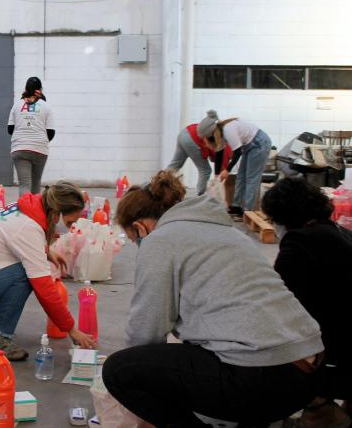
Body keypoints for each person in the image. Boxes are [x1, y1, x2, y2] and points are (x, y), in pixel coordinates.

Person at [102, 171, 324, 427]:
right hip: (310, 372)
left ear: (140, 227)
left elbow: (145, 331)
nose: (138, 244)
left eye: (134, 239)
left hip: (261, 379)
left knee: (120, 371)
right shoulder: (229, 233)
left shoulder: (160, 240)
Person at [0, 181, 96, 361]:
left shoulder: (27, 209)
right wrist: (71, 329)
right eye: (69, 222)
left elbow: (13, 240)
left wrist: (46, 251)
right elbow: (44, 288)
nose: (70, 228)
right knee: (26, 274)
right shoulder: (28, 228)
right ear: (55, 213)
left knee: (26, 267)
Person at [262, 177, 352, 427]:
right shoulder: (338, 232)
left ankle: (320, 410)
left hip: (340, 355)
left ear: (283, 216)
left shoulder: (299, 243)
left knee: (271, 345)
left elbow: (280, 303)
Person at [197, 109, 272, 216]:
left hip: (259, 143)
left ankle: (248, 210)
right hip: (250, 144)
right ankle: (236, 206)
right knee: (241, 177)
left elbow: (237, 152)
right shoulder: (221, 133)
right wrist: (217, 174)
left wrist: (227, 170)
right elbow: (219, 153)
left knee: (251, 178)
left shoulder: (227, 130)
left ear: (211, 134)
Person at [8, 77, 54, 195]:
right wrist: (39, 141)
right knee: (35, 183)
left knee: (24, 184)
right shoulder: (46, 106)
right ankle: (34, 212)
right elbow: (51, 132)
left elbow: (10, 129)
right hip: (40, 149)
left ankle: (24, 212)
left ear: (26, 88)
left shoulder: (17, 105)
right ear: (40, 89)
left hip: (20, 148)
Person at [166, 122, 231, 196]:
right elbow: (221, 176)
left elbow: (215, 162)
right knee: (205, 171)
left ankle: (155, 186)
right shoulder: (227, 151)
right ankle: (199, 197)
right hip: (193, 138)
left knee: (175, 164)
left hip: (185, 132)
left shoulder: (224, 142)